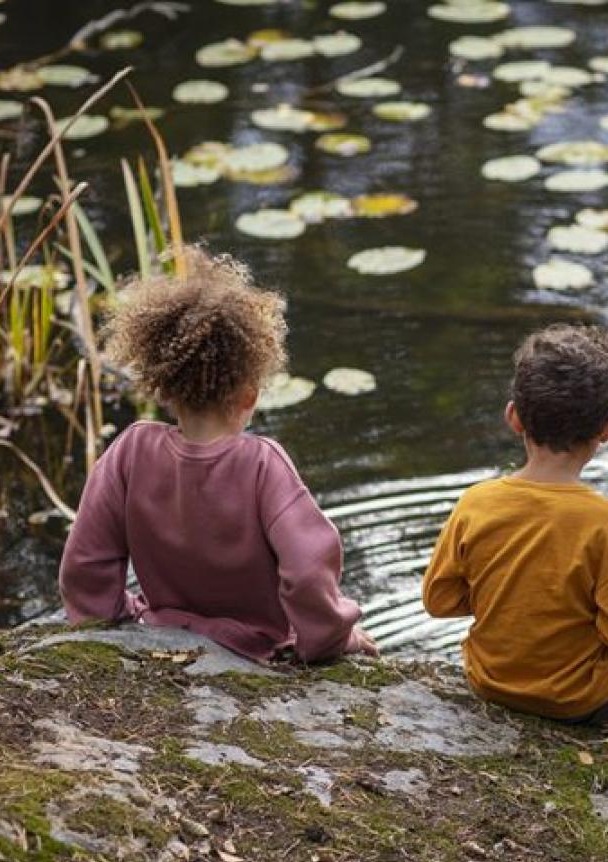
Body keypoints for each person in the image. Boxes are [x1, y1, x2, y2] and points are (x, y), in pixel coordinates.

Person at [59, 248, 376, 663]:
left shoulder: (130, 451)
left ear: (165, 387)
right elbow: (307, 571)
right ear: (249, 395)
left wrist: (114, 622)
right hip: (255, 648)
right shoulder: (263, 465)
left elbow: (85, 562)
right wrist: (329, 639)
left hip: (161, 632)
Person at [422, 325, 608, 728]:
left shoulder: (477, 502)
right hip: (578, 701)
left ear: (514, 417)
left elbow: (439, 600)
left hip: (489, 681)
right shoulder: (607, 521)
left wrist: (514, 593)